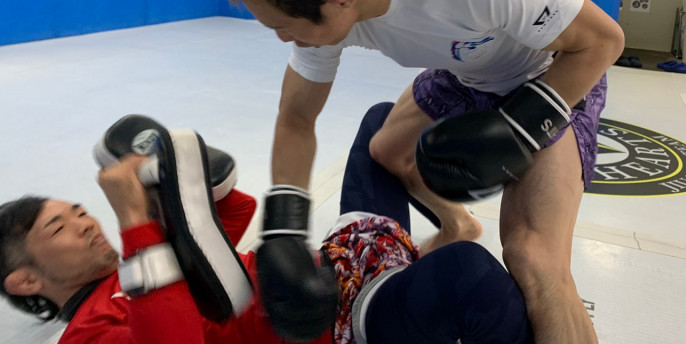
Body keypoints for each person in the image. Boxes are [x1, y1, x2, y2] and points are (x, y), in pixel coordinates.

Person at [221, 0, 624, 343]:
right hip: (466, 68)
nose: (282, 38)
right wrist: (284, 229)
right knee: (386, 152)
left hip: (552, 74)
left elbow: (604, 42)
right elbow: (297, 118)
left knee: (535, 257)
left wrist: (519, 127)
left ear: (342, 0)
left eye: (282, 27)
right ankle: (458, 224)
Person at [0, 108, 534, 344]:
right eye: (58, 229)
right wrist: (136, 222)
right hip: (343, 324)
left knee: (386, 127)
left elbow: (232, 215)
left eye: (77, 210)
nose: (85, 223)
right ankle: (440, 253)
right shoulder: (89, 331)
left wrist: (174, 179)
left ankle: (452, 223)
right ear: (24, 280)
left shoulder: (143, 268)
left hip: (339, 264)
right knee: (469, 276)